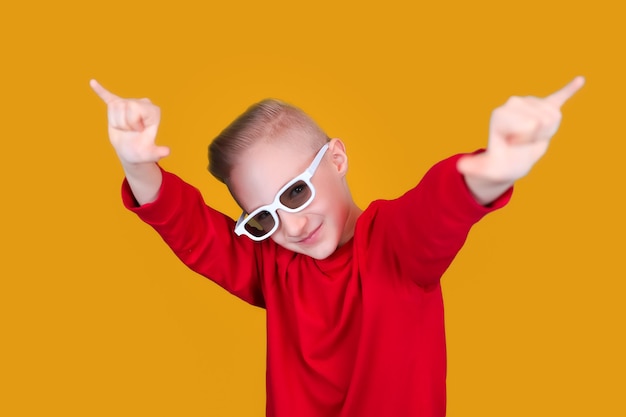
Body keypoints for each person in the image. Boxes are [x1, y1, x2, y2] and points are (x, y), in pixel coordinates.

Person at [90, 76, 585, 417]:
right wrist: (137, 166)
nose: (292, 222)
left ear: (338, 158)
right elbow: (194, 232)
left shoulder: (394, 245)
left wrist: (494, 168)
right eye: (264, 216)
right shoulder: (273, 264)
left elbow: (437, 208)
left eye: (296, 191)